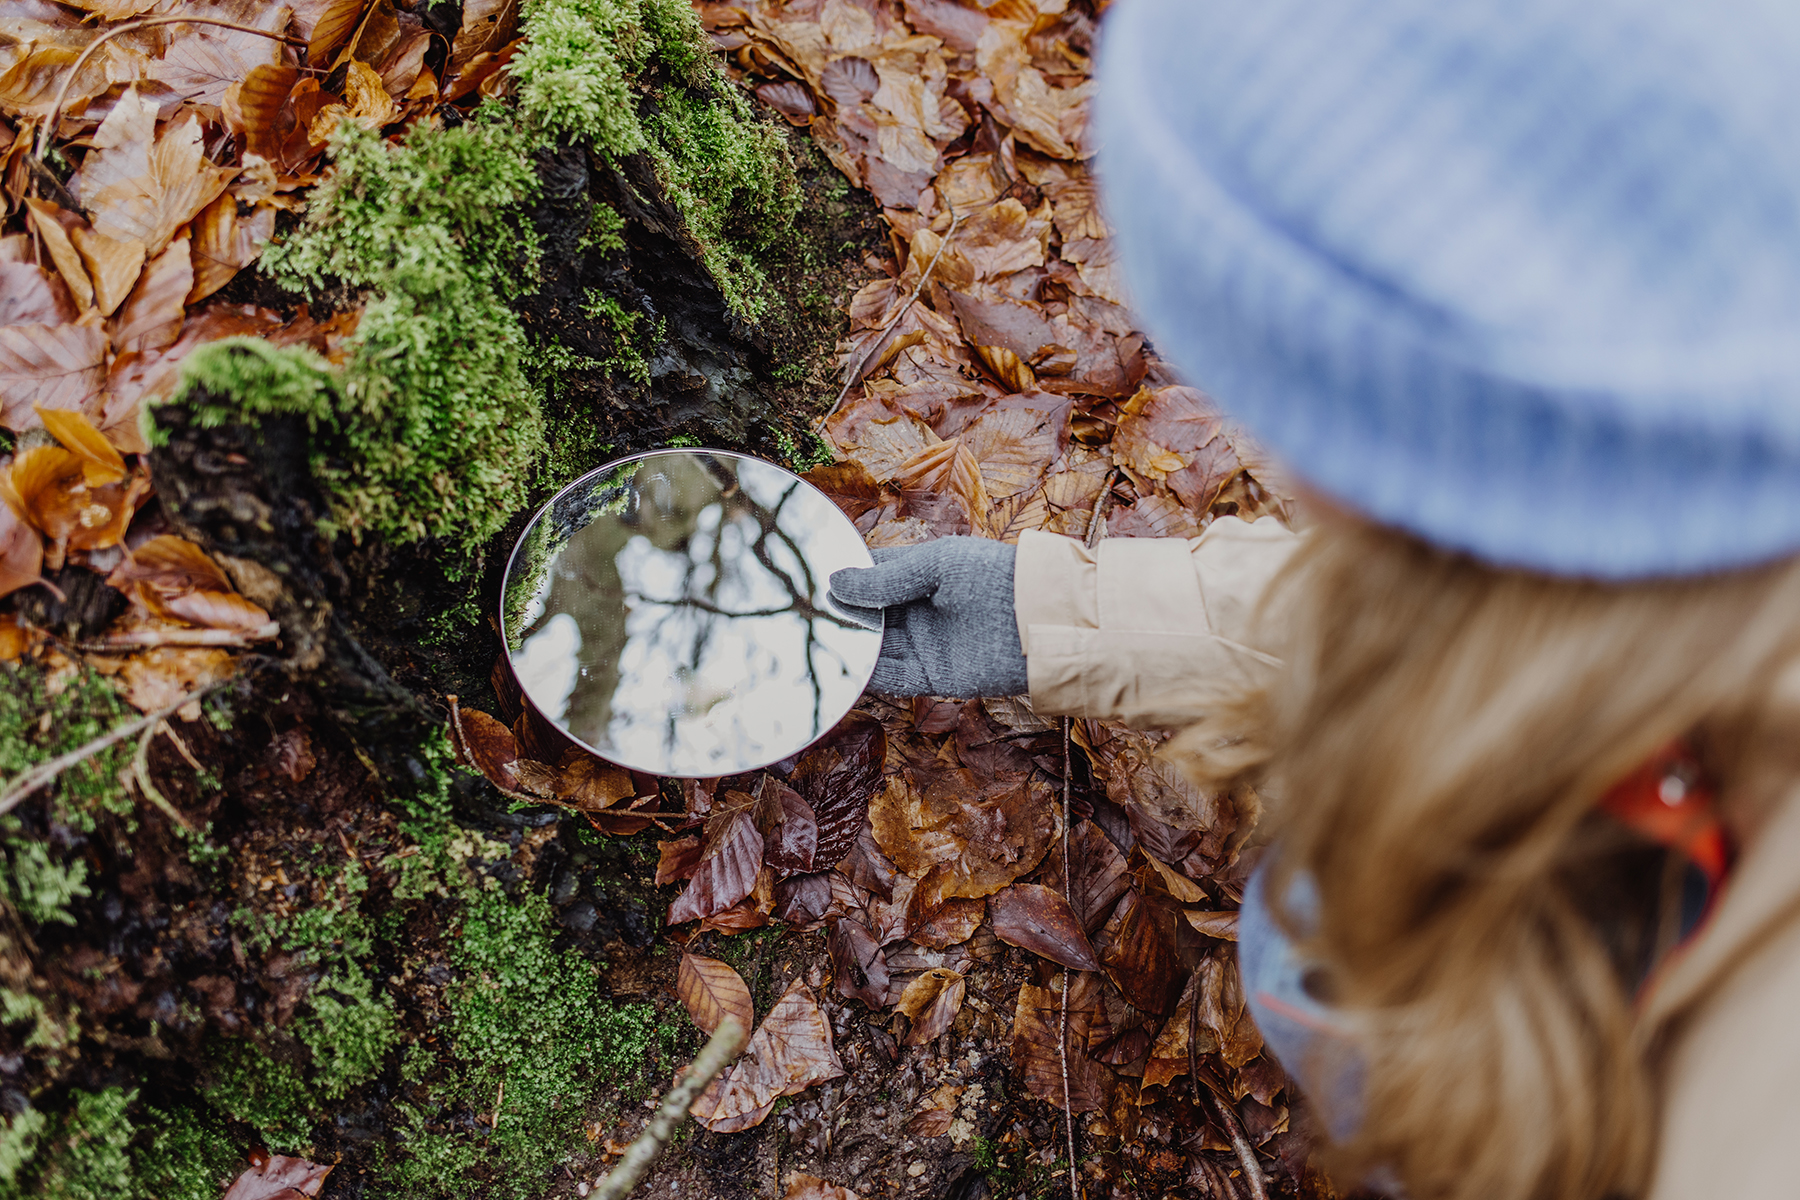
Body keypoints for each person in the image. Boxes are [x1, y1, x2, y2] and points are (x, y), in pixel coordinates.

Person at [827, 3, 1800, 1199]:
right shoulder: (1695, 509)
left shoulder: (1749, 1118)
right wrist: (1044, 613)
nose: (1280, 466)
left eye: (1297, 414)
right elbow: (1429, 609)